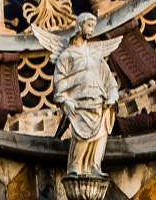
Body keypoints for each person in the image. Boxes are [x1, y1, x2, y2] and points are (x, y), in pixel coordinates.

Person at [38, 14, 121, 177]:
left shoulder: (96, 56)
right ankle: (76, 166)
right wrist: (65, 101)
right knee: (81, 136)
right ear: (80, 26)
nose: (92, 30)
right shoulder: (66, 56)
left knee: (99, 137)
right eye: (89, 26)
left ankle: (94, 165)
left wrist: (112, 97)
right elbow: (59, 83)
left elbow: (109, 81)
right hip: (79, 104)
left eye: (93, 26)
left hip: (99, 103)